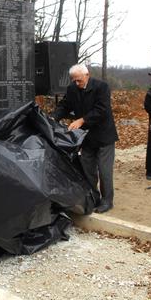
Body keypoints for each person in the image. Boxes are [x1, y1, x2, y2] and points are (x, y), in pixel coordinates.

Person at [53, 64, 118, 213]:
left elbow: (102, 110)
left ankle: (107, 201)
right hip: (86, 138)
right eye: (74, 80)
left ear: (87, 75)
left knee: (104, 170)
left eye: (79, 80)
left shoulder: (102, 87)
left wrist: (82, 120)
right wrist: (53, 117)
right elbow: (64, 105)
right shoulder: (72, 89)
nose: (77, 83)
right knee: (88, 170)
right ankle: (93, 198)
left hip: (104, 136)